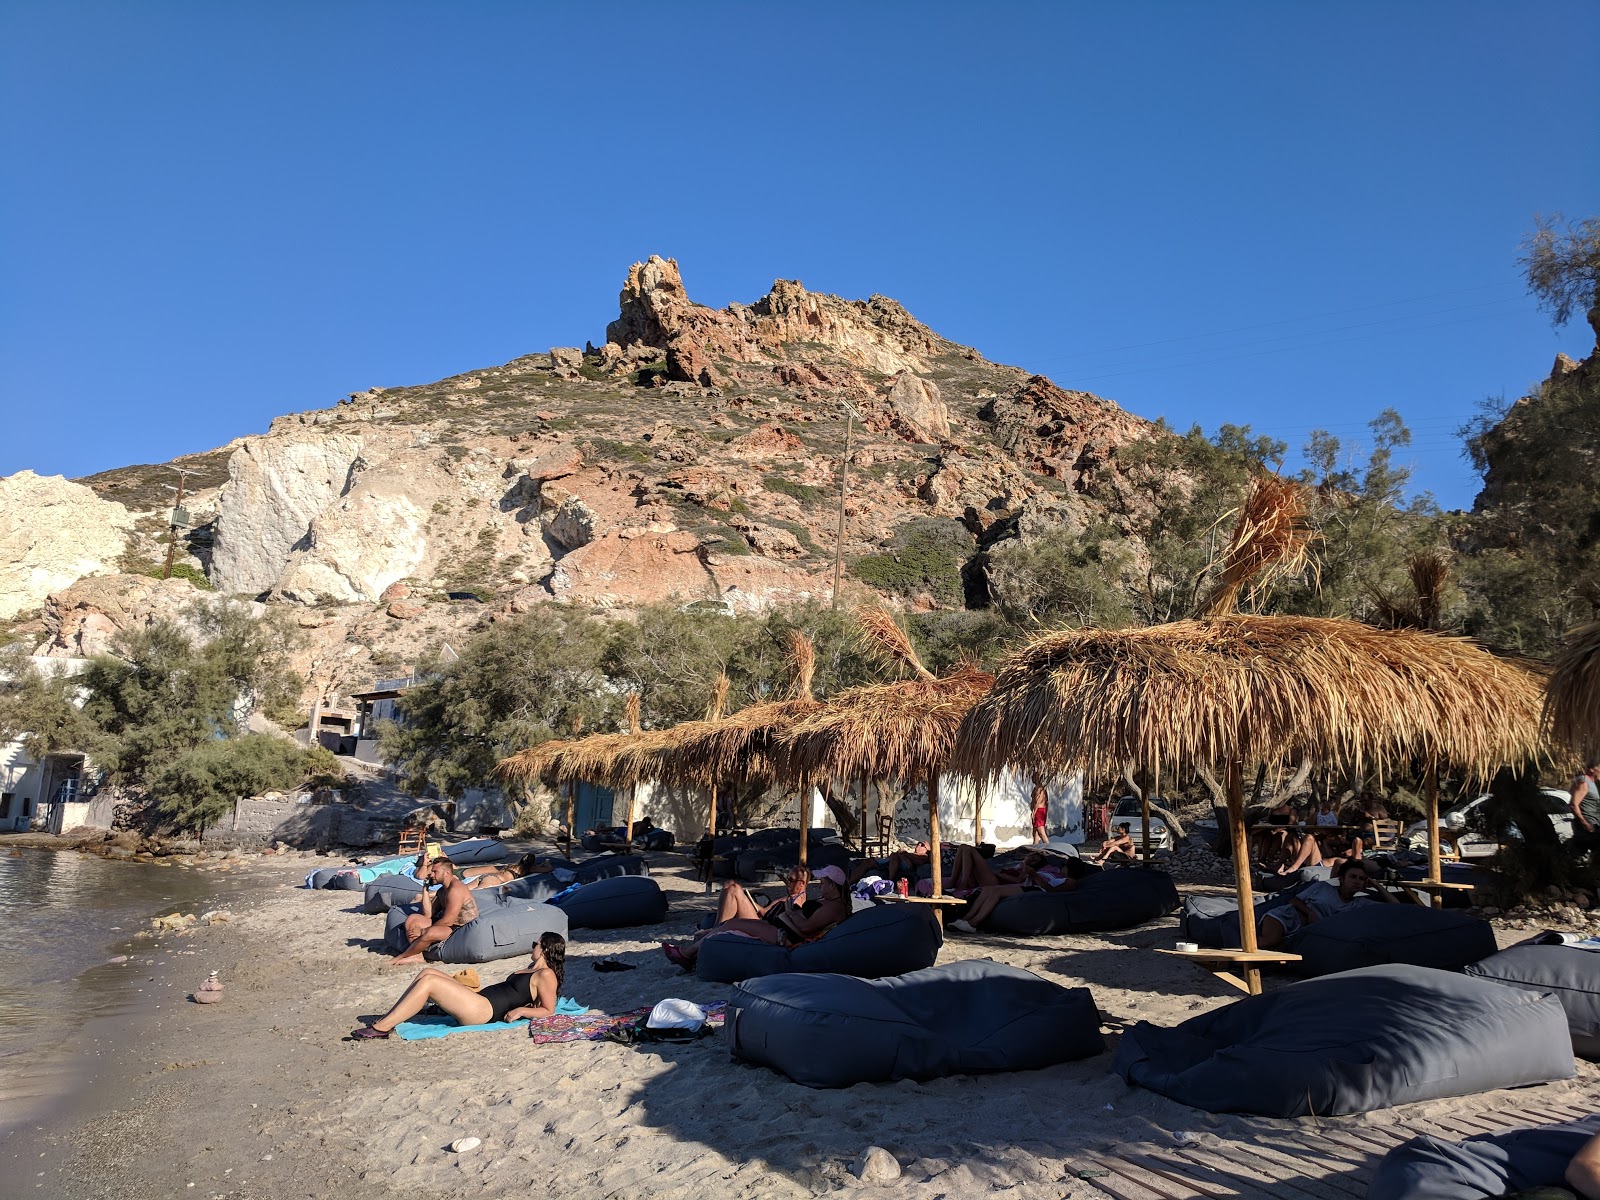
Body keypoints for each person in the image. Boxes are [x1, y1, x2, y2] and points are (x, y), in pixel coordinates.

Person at [352, 932, 565, 1039]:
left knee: (430, 982)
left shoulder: (546, 974)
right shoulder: (532, 967)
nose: (532, 947)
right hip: (481, 1001)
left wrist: (521, 1010)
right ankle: (388, 1018)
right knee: (428, 972)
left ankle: (382, 1028)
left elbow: (549, 1009)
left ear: (545, 949)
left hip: (483, 1011)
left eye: (535, 944)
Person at [662, 866, 851, 969]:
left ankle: (687, 953)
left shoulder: (834, 907)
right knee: (732, 919)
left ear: (834, 886)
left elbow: (807, 929)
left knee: (733, 923)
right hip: (782, 928)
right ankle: (695, 948)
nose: (819, 887)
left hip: (786, 936)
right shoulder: (829, 902)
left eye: (823, 883)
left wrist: (790, 912)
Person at [1258, 858, 1393, 949]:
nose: (1357, 881)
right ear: (1342, 879)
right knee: (1270, 941)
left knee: (1275, 950)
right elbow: (1294, 900)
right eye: (1352, 877)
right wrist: (1310, 912)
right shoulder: (1323, 887)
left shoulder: (1359, 903)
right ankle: (1238, 958)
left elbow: (1397, 907)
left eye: (1361, 879)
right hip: (1286, 917)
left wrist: (1377, 885)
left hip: (1302, 933)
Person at [949, 851, 1076, 934]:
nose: (1062, 868)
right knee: (989, 889)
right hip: (1030, 885)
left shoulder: (1069, 880)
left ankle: (973, 923)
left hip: (1035, 889)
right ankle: (965, 919)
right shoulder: (1053, 872)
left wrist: (1035, 875)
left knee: (996, 891)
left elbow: (1051, 890)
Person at [392, 855, 479, 965]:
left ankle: (403, 956)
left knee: (430, 932)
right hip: (449, 926)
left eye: (435, 872)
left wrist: (422, 931)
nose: (431, 874)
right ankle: (417, 955)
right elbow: (428, 914)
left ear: (447, 873)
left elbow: (448, 921)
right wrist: (425, 888)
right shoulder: (442, 890)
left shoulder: (456, 890)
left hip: (461, 928)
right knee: (413, 919)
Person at [1570, 763, 1600, 853]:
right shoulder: (1583, 782)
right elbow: (1573, 804)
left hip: (1594, 825)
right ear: (1592, 769)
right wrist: (1585, 824)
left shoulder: (1592, 783)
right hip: (1588, 827)